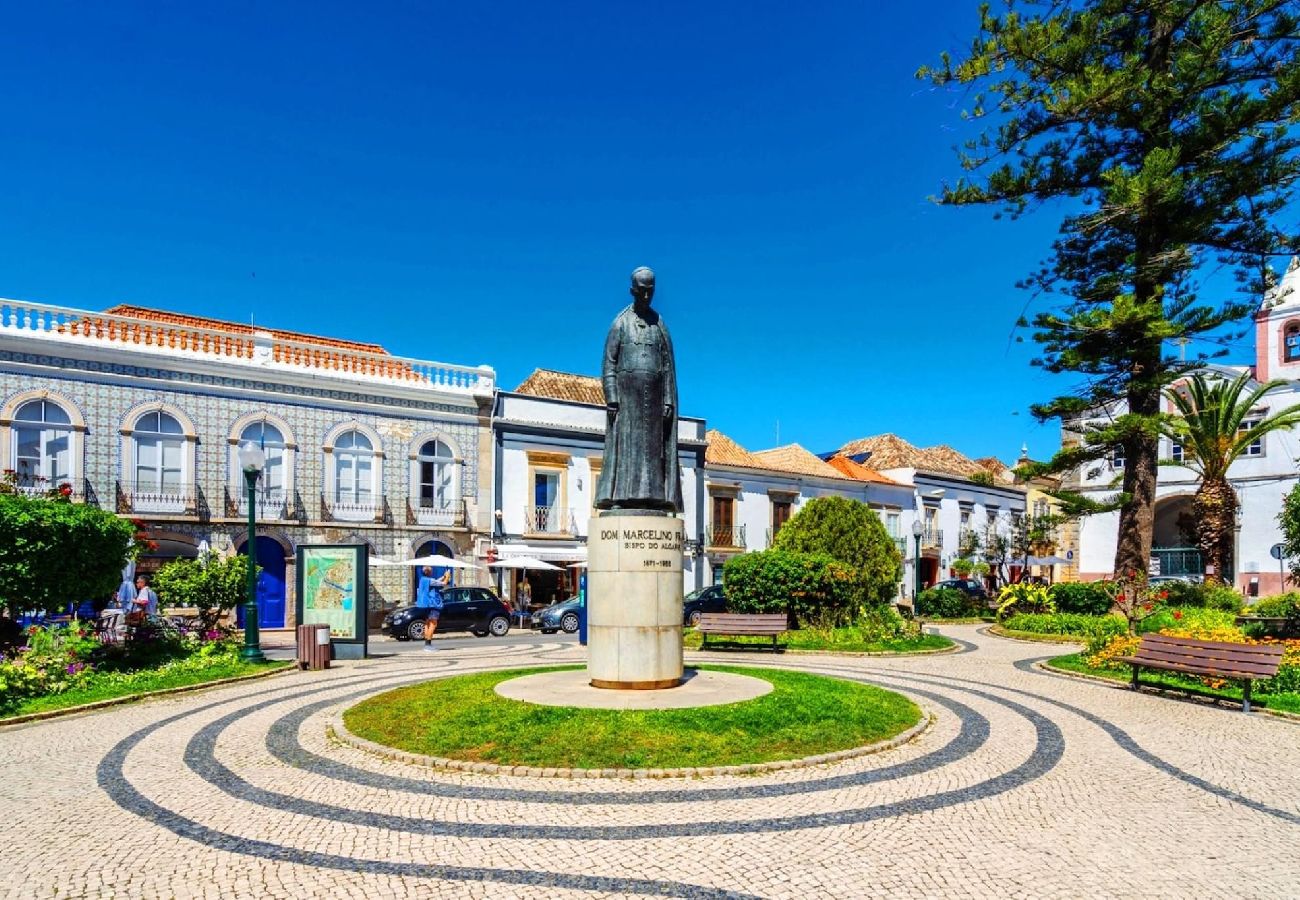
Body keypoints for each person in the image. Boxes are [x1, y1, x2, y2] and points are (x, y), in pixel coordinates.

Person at [594, 267, 683, 512]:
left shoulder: (659, 324)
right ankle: (623, 497)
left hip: (654, 403)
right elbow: (609, 363)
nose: (646, 296)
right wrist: (612, 397)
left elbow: (666, 365)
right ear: (633, 290)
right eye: (642, 291)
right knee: (627, 450)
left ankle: (653, 497)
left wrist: (667, 399)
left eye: (650, 291)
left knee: (653, 452)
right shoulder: (620, 323)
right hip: (627, 401)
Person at [416, 566, 449, 651]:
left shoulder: (423, 579)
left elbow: (435, 582)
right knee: (433, 624)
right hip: (433, 604)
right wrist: (447, 576)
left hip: (425, 604)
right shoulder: (429, 580)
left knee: (427, 623)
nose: (432, 572)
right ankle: (428, 645)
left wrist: (443, 576)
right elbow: (444, 583)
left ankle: (426, 644)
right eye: (431, 571)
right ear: (429, 572)